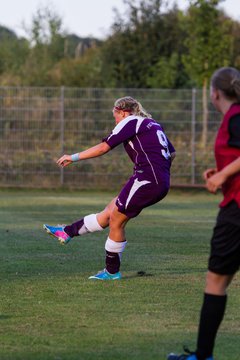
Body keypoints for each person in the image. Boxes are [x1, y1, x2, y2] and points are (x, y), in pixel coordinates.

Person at [43, 96, 176, 280]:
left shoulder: (130, 121)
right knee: (110, 210)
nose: (114, 119)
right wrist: (157, 169)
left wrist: (73, 157)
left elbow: (104, 147)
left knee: (116, 220)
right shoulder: (152, 124)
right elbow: (172, 153)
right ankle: (67, 232)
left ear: (122, 112)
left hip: (146, 179)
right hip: (156, 179)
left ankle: (112, 271)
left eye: (114, 115)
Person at [167, 67, 240, 360]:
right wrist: (223, 172)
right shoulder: (233, 118)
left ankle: (203, 356)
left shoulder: (235, 116)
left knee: (216, 282)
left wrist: (222, 177)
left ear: (214, 93)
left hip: (236, 213)